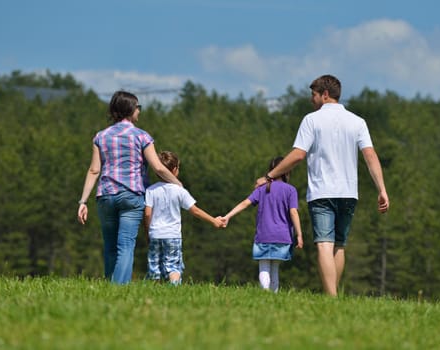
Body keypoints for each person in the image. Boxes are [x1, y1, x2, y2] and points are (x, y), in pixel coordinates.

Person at [255, 75, 389, 296]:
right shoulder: (358, 122)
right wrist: (381, 189)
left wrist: (269, 176)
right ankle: (333, 297)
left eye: (313, 95)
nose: (311, 99)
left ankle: (331, 299)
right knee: (339, 245)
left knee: (324, 245)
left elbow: (298, 155)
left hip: (322, 192)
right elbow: (370, 156)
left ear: (325, 94)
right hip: (349, 193)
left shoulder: (312, 120)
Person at [77, 91, 182, 285]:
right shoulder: (142, 136)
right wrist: (178, 185)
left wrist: (83, 201)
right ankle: (118, 289)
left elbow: (94, 170)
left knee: (109, 246)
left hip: (106, 195)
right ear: (130, 110)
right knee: (125, 245)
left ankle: (109, 287)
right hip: (132, 196)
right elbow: (158, 167)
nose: (139, 111)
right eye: (137, 107)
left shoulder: (101, 137)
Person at [223, 156, 304, 292]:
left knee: (264, 266)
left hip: (264, 235)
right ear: (287, 172)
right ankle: (273, 296)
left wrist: (228, 216)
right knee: (275, 269)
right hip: (282, 237)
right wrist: (299, 234)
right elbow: (294, 213)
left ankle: (264, 293)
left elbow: (245, 203)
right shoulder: (290, 190)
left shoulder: (262, 189)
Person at [144, 151, 224, 285]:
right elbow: (195, 210)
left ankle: (154, 290)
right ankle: (174, 288)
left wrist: (147, 231)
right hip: (172, 235)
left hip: (155, 233)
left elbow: (147, 214)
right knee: (173, 265)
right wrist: (214, 220)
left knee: (154, 266)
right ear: (174, 170)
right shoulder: (179, 190)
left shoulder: (151, 190)